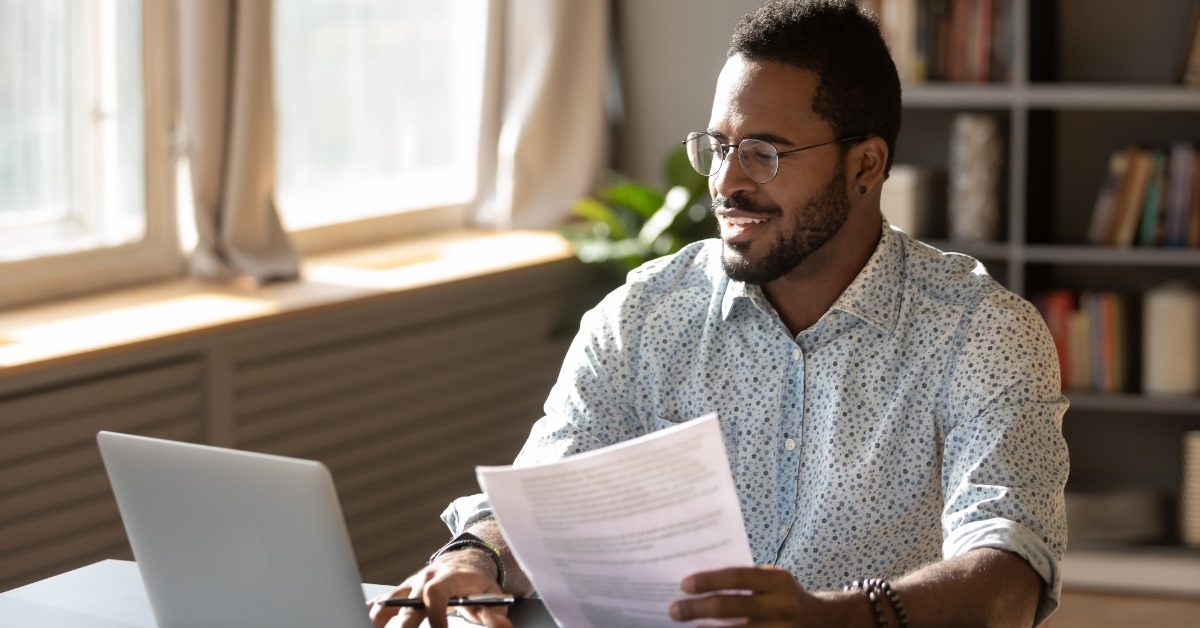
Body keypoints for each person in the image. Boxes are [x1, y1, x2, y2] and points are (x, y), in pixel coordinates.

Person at [370, 1, 1069, 626]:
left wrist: (833, 619)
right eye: (720, 146)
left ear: (865, 167)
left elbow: (1008, 573)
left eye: (765, 153)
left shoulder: (981, 331)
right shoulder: (644, 314)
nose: (728, 183)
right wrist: (474, 558)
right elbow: (540, 503)